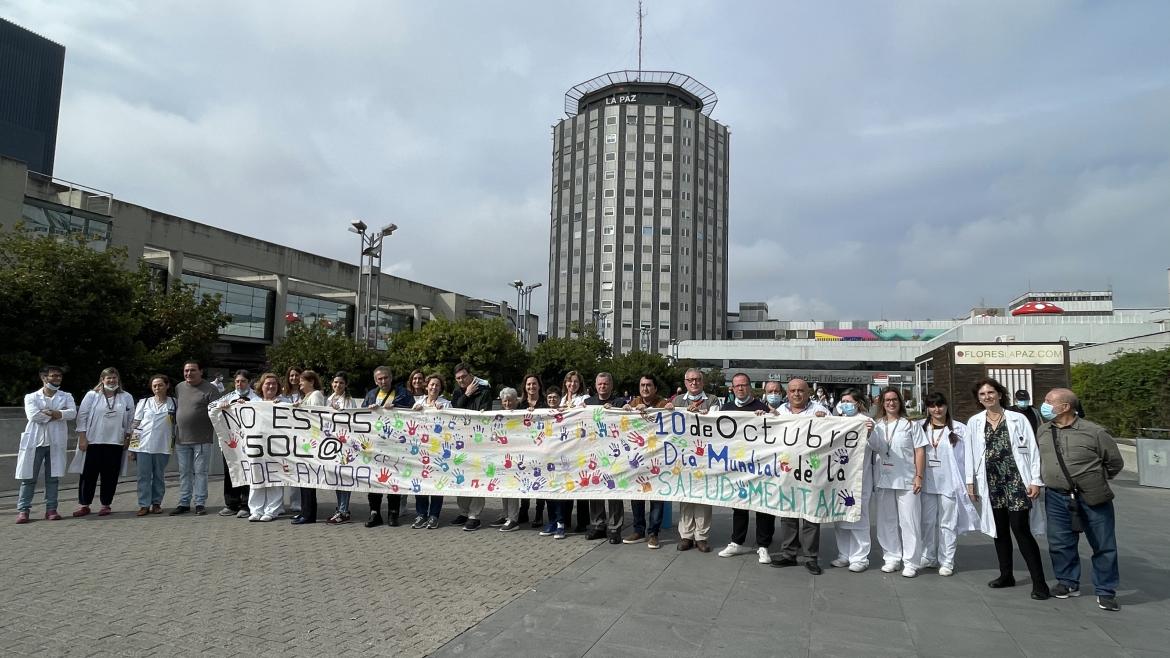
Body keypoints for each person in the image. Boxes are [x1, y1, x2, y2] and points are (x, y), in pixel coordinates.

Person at [1037, 388, 1124, 611]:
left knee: (1103, 544)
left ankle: (1105, 591)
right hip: (1056, 496)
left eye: (1049, 401)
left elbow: (1114, 462)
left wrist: (1096, 479)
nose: (1044, 404)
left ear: (1065, 406)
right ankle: (1067, 582)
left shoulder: (1094, 432)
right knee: (1059, 542)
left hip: (1091, 496)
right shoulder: (1044, 431)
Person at [965, 378, 1050, 600]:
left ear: (1000, 394)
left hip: (1015, 481)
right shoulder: (975, 422)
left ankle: (1040, 583)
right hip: (991, 482)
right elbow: (970, 454)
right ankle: (1006, 575)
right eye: (982, 394)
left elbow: (1032, 449)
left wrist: (1035, 480)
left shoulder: (1017, 418)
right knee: (999, 530)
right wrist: (970, 482)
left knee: (1020, 529)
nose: (987, 397)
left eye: (990, 392)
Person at [772, 379, 832, 574]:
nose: (797, 394)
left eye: (800, 391)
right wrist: (762, 418)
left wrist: (827, 421)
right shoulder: (780, 412)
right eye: (793, 391)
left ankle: (810, 557)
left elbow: (835, 433)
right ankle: (789, 553)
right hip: (786, 469)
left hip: (812, 470)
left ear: (808, 393)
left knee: (810, 513)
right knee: (787, 511)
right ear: (787, 394)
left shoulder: (820, 410)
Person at [717, 373, 776, 564]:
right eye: (736, 386)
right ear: (732, 389)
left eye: (743, 385)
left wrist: (769, 416)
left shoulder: (762, 407)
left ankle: (763, 545)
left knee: (763, 505)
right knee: (739, 504)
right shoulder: (726, 408)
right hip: (737, 464)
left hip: (761, 464)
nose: (740, 389)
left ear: (750, 387)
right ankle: (737, 541)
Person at [918, 392, 978, 576]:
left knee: (947, 523)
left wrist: (970, 483)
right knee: (927, 522)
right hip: (927, 483)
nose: (937, 409)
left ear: (946, 406)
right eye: (932, 406)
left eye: (940, 405)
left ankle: (946, 560)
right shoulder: (919, 427)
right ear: (927, 408)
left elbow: (969, 458)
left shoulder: (960, 429)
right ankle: (928, 556)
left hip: (950, 484)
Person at [871, 387, 929, 578]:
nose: (891, 403)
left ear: (900, 402)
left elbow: (920, 451)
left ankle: (911, 561)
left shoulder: (910, 425)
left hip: (907, 479)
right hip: (883, 478)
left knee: (909, 521)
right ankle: (892, 557)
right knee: (886, 521)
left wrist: (919, 476)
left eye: (894, 399)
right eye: (887, 400)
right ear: (882, 403)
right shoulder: (876, 425)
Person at [16, 366, 76, 523]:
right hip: (35, 442)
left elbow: (72, 413)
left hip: (55, 442)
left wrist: (54, 413)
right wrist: (58, 414)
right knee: (28, 477)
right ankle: (23, 510)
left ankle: (51, 509)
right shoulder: (31, 397)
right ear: (44, 378)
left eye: (59, 376)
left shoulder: (66, 395)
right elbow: (33, 416)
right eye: (53, 376)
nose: (57, 379)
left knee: (53, 478)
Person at [73, 367, 135, 517]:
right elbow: (82, 416)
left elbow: (131, 419)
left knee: (110, 475)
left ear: (118, 380)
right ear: (102, 380)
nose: (112, 381)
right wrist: (82, 437)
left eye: (114, 378)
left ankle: (106, 504)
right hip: (93, 441)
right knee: (88, 475)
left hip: (115, 442)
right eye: (109, 378)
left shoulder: (126, 397)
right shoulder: (92, 395)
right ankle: (85, 505)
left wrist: (128, 437)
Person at [669, 368, 719, 553]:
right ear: (685, 382)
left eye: (697, 379)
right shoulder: (677, 401)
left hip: (704, 455)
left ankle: (702, 537)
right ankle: (686, 536)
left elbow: (715, 421)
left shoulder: (712, 400)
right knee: (686, 494)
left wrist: (700, 413)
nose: (694, 383)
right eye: (690, 380)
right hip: (683, 455)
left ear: (702, 382)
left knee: (703, 496)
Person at [622, 374, 672, 548]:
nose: (645, 388)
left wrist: (670, 409)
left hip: (657, 460)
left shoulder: (663, 404)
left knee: (657, 496)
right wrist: (624, 408)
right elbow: (618, 414)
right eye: (642, 385)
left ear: (655, 388)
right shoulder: (634, 403)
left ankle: (653, 533)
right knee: (637, 495)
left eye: (649, 385)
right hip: (638, 459)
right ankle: (638, 530)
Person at [830, 389, 876, 572]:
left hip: (859, 479)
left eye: (849, 401)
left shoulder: (867, 422)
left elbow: (878, 446)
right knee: (840, 518)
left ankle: (860, 557)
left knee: (859, 518)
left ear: (858, 403)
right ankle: (844, 554)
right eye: (843, 401)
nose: (845, 404)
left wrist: (871, 434)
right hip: (839, 479)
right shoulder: (837, 421)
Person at [364, 366, 412, 528]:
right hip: (375, 445)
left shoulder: (403, 394)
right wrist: (367, 411)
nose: (383, 381)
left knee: (393, 479)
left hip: (395, 445)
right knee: (374, 480)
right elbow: (361, 417)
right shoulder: (371, 395)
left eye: (385, 378)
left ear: (391, 378)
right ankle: (374, 513)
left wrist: (398, 409)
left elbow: (413, 414)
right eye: (379, 379)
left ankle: (393, 513)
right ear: (375, 380)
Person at [171, 361, 219, 516]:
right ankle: (184, 503)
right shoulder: (179, 387)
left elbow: (217, 412)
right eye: (186, 371)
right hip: (181, 440)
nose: (188, 373)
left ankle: (199, 503)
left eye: (192, 370)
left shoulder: (211, 389)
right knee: (184, 473)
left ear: (201, 371)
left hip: (202, 439)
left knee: (200, 472)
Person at [584, 371, 627, 543]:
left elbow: (627, 414)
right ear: (595, 385)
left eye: (606, 384)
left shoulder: (619, 402)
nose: (602, 386)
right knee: (595, 490)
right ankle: (597, 525)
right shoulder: (588, 403)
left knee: (614, 490)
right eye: (600, 384)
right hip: (593, 454)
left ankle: (615, 528)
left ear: (611, 385)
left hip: (613, 455)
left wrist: (621, 409)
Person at [449, 363, 492, 531]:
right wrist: (466, 395)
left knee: (476, 478)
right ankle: (464, 512)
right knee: (460, 477)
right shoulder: (458, 392)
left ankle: (475, 515)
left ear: (471, 376)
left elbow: (482, 414)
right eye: (458, 378)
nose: (461, 380)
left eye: (464, 377)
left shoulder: (485, 391)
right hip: (460, 442)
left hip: (478, 442)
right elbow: (455, 412)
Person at [129, 374, 175, 516]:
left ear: (167, 386)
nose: (157, 388)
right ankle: (144, 505)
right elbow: (136, 425)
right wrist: (132, 448)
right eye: (154, 385)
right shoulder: (144, 402)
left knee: (159, 476)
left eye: (160, 385)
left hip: (163, 445)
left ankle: (156, 503)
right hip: (143, 446)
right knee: (144, 476)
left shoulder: (173, 402)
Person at [212, 369, 255, 518]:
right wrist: (220, 407)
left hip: (249, 444)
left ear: (249, 382)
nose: (239, 384)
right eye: (237, 381)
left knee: (248, 473)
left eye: (243, 381)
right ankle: (231, 503)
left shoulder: (256, 399)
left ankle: (246, 504)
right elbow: (211, 410)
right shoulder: (228, 398)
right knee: (230, 472)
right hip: (231, 444)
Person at [244, 373, 285, 521]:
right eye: (268, 383)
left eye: (274, 384)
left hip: (277, 446)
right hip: (257, 446)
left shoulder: (283, 402)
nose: (271, 386)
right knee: (256, 477)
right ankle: (256, 510)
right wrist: (226, 406)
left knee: (275, 477)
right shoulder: (253, 402)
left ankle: (272, 510)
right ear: (261, 386)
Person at [411, 374, 449, 529]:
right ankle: (421, 514)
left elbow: (452, 424)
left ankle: (434, 515)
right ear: (426, 386)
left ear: (440, 389)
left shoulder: (446, 404)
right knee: (420, 482)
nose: (434, 388)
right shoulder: (417, 403)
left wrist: (444, 412)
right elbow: (408, 421)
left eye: (437, 386)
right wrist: (415, 411)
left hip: (438, 450)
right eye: (432, 385)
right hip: (420, 450)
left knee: (436, 483)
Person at [291, 370, 327, 525]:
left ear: (311, 381)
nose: (299, 383)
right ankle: (305, 511)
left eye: (302, 380)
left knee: (308, 481)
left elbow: (316, 418)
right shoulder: (306, 397)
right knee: (303, 480)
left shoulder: (316, 395)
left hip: (311, 443)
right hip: (304, 443)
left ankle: (309, 514)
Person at [324, 372, 360, 524]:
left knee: (344, 478)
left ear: (346, 385)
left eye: (341, 383)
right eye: (335, 382)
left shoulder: (349, 401)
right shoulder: (329, 399)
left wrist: (337, 411)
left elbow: (349, 420)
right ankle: (340, 508)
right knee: (336, 478)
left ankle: (344, 510)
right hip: (332, 443)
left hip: (345, 444)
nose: (337, 385)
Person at [559, 370, 590, 532]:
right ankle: (565, 519)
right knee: (567, 484)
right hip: (565, 446)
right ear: (565, 383)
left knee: (581, 484)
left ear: (580, 384)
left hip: (580, 446)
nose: (572, 384)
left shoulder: (584, 399)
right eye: (570, 381)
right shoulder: (562, 400)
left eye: (576, 382)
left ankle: (583, 522)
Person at [517, 373, 547, 526]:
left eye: (534, 384)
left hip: (541, 448)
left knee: (539, 480)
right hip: (525, 448)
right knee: (525, 479)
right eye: (528, 384)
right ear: (525, 387)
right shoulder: (520, 405)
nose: (531, 387)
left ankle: (539, 513)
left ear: (539, 386)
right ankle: (523, 510)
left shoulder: (544, 403)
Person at [495, 387, 525, 532]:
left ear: (516, 401)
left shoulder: (520, 414)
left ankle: (513, 518)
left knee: (512, 486)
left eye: (510, 400)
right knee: (503, 486)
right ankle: (505, 513)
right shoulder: (498, 415)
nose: (507, 403)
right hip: (503, 455)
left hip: (516, 455)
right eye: (505, 401)